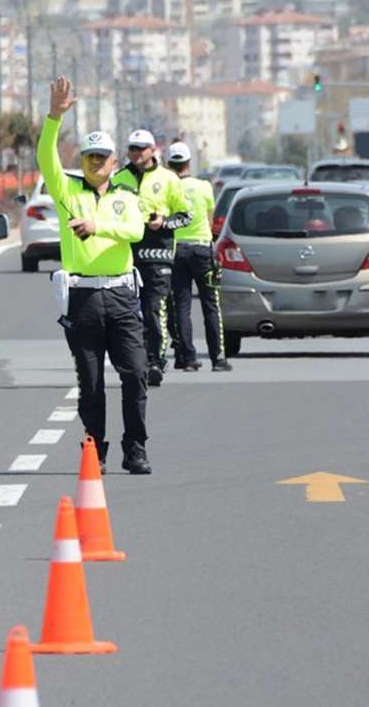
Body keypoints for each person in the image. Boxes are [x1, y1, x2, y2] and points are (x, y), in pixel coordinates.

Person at [38, 76, 153, 475]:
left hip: (121, 297)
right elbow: (45, 158)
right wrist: (54, 117)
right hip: (83, 298)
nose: (95, 162)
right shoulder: (68, 193)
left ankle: (135, 447)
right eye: (88, 156)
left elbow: (136, 232)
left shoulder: (126, 198)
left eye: (102, 157)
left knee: (136, 373)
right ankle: (95, 449)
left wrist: (98, 227)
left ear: (114, 162)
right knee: (90, 382)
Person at [112, 129, 191, 387]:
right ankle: (137, 361)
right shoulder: (119, 178)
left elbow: (186, 215)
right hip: (126, 256)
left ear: (152, 150)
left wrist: (164, 222)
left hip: (159, 256)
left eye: (141, 148)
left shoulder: (168, 179)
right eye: (132, 148)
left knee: (154, 309)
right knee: (130, 314)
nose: (136, 153)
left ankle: (156, 360)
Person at [168, 142, 231, 372]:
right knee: (210, 304)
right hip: (202, 249)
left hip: (176, 251)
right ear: (188, 163)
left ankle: (188, 358)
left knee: (181, 306)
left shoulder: (167, 188)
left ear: (169, 164)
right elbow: (210, 216)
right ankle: (218, 358)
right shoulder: (203, 187)